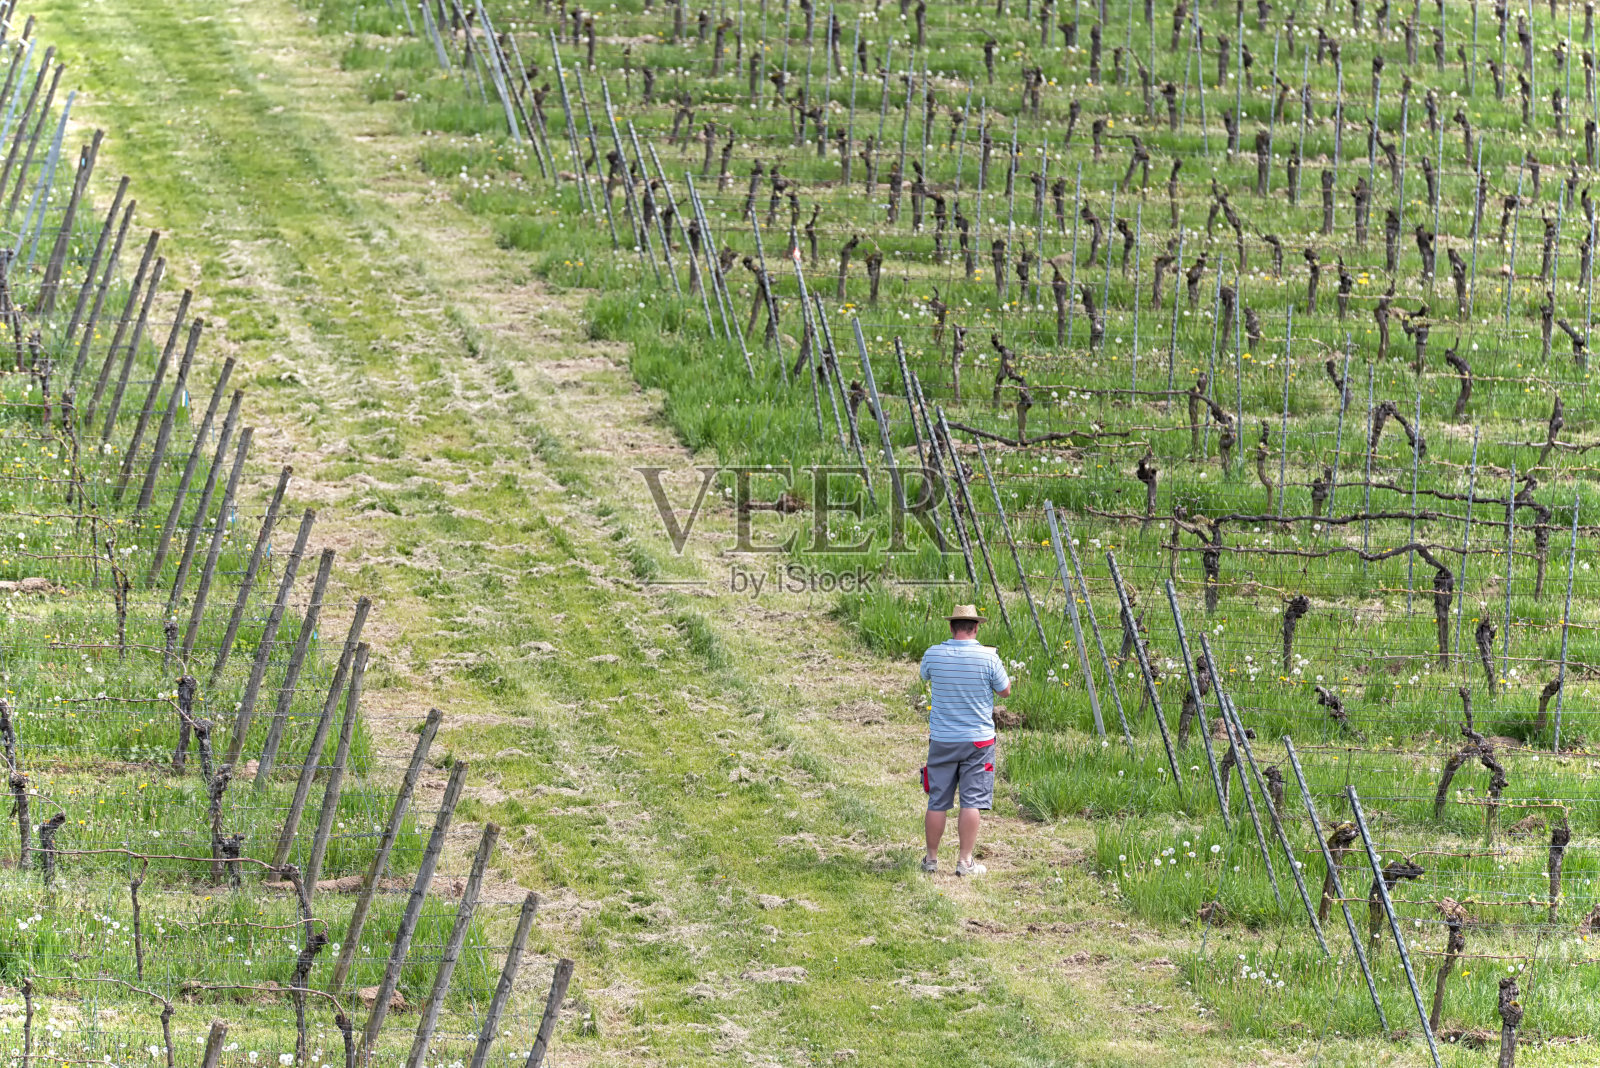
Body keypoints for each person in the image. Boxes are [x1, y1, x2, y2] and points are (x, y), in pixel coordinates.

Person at [918, 604, 1011, 876]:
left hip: (943, 739)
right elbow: (1005, 692)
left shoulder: (933, 654)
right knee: (972, 800)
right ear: (976, 627)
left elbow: (924, 675)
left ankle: (931, 860)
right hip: (979, 742)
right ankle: (965, 861)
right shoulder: (988, 658)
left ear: (951, 627)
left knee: (937, 801)